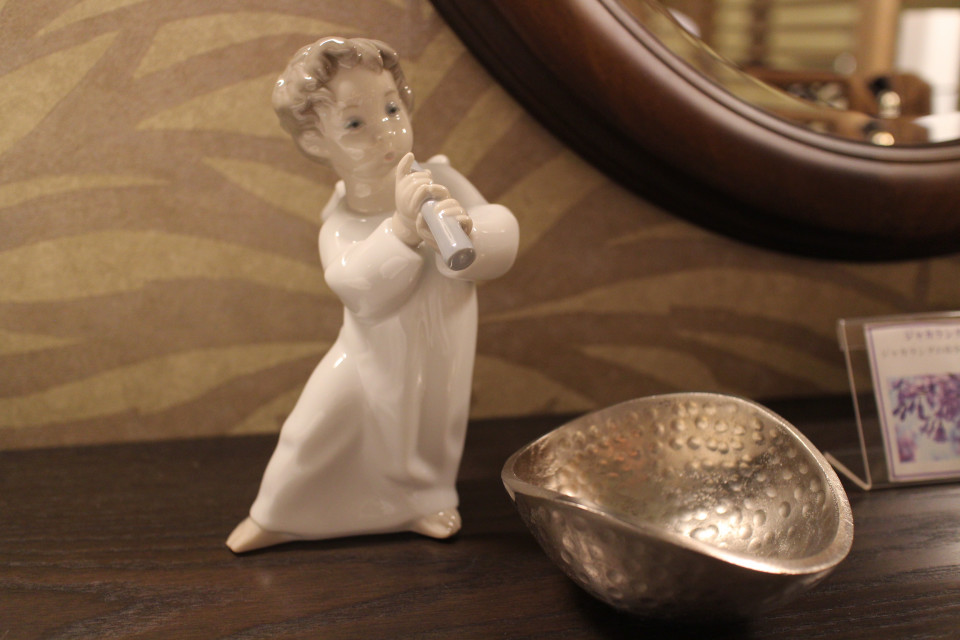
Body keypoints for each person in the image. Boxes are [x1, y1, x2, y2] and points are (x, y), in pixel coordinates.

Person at [227, 37, 519, 552]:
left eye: (391, 108)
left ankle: (424, 500)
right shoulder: (340, 222)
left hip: (441, 341)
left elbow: (501, 233)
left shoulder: (441, 181)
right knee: (313, 426)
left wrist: (470, 231)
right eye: (355, 123)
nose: (385, 130)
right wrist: (402, 232)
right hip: (369, 356)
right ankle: (277, 513)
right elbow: (359, 292)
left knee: (430, 425)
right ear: (318, 142)